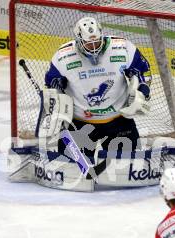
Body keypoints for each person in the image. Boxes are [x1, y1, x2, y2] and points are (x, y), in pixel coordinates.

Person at [38, 16, 151, 158]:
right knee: (71, 168)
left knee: (126, 166)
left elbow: (143, 72)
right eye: (89, 44)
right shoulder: (63, 56)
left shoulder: (122, 47)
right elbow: (51, 83)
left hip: (118, 120)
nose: (94, 47)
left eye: (97, 42)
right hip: (79, 122)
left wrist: (142, 90)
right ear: (79, 40)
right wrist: (54, 98)